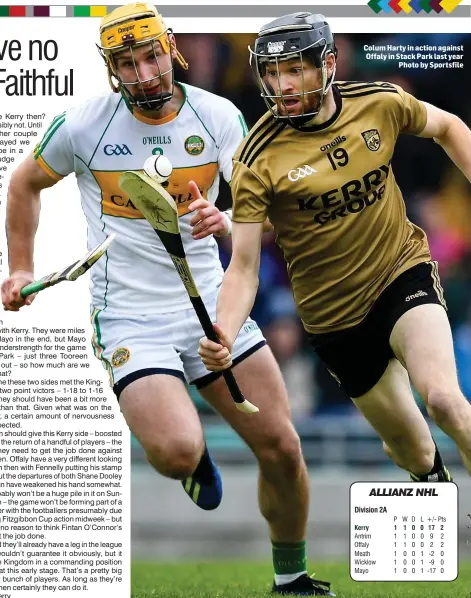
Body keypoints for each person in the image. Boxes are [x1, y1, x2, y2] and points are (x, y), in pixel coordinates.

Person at [1, 4, 334, 596]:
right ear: (112, 69)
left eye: (152, 56)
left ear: (171, 48)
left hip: (211, 303)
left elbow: (278, 216)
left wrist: (225, 217)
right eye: (128, 63)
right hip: (130, 316)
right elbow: (24, 182)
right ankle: (193, 458)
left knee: (282, 446)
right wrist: (19, 267)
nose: (145, 73)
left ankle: (293, 579)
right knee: (178, 453)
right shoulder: (84, 125)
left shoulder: (219, 116)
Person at [200, 13, 471, 494]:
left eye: (294, 70)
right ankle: (430, 478)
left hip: (399, 274)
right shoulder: (256, 157)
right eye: (271, 72)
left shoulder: (379, 102)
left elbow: (448, 126)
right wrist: (224, 329)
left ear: (327, 64)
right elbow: (242, 269)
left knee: (446, 401)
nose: (280, 84)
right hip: (334, 320)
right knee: (415, 450)